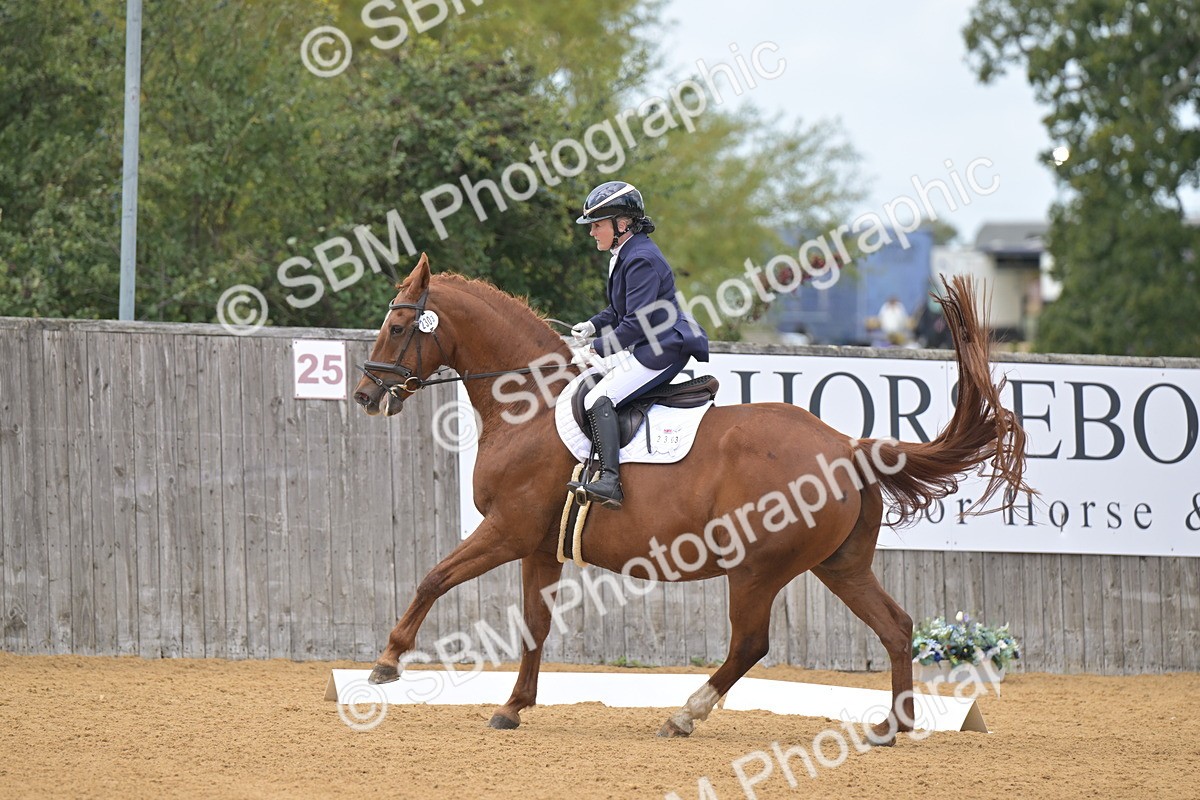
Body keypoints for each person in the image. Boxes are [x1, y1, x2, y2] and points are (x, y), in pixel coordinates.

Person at [566, 180, 709, 509]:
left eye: (597, 225)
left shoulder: (641, 258)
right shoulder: (625, 252)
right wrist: (593, 324)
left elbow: (636, 323)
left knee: (599, 397)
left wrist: (597, 348)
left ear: (622, 223)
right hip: (645, 342)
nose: (592, 233)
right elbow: (620, 311)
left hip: (661, 348)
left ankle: (610, 481)